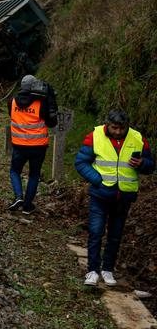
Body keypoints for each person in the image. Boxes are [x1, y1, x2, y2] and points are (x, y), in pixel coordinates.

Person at [74, 109, 154, 286]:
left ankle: (108, 269)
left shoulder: (138, 138)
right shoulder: (94, 136)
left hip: (124, 195)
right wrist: (98, 180)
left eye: (122, 128)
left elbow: (151, 166)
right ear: (107, 125)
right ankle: (92, 270)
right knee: (96, 232)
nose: (118, 131)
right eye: (114, 128)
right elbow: (80, 162)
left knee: (115, 235)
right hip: (100, 194)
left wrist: (142, 163)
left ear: (127, 126)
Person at [7, 74, 58, 214]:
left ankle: (18, 196)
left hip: (19, 145)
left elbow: (12, 116)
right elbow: (52, 123)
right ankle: (27, 206)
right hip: (38, 146)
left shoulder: (12, 101)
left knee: (14, 171)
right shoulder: (41, 103)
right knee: (34, 175)